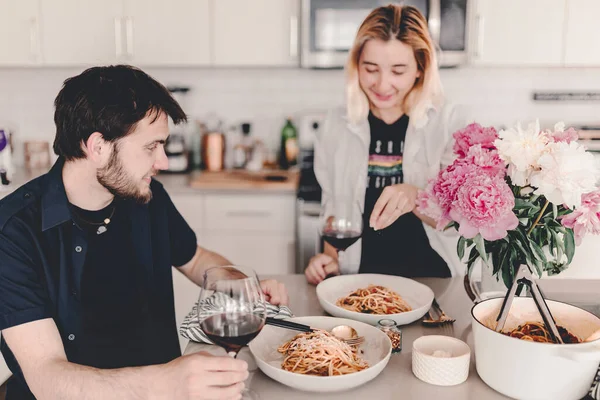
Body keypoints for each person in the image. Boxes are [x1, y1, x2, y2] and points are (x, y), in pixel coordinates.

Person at [0, 65, 288, 400]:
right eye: (151, 147)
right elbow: (48, 378)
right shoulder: (13, 233)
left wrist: (243, 288)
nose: (162, 161)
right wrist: (166, 383)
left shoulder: (145, 197)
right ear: (98, 148)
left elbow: (195, 260)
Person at [305, 4, 466, 285]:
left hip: (433, 282)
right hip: (358, 286)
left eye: (398, 71)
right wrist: (329, 261)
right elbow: (335, 210)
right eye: (371, 69)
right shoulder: (336, 124)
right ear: (357, 65)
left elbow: (460, 223)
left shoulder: (449, 123)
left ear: (420, 68)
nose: (382, 84)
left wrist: (415, 197)